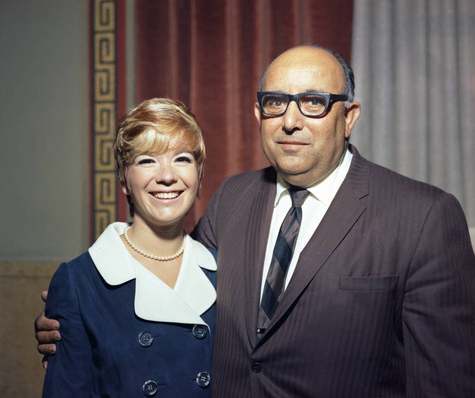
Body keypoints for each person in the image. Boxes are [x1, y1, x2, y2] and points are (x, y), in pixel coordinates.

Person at [36, 46, 475, 397]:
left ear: (349, 118)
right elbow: (173, 292)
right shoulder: (234, 197)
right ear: (258, 115)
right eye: (275, 102)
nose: (291, 120)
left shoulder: (424, 216)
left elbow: (444, 381)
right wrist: (76, 320)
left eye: (314, 103)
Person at [41, 98, 217, 397]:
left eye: (183, 158)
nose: (166, 176)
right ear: (124, 179)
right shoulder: (78, 280)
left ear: (199, 177)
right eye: (147, 160)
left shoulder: (224, 272)